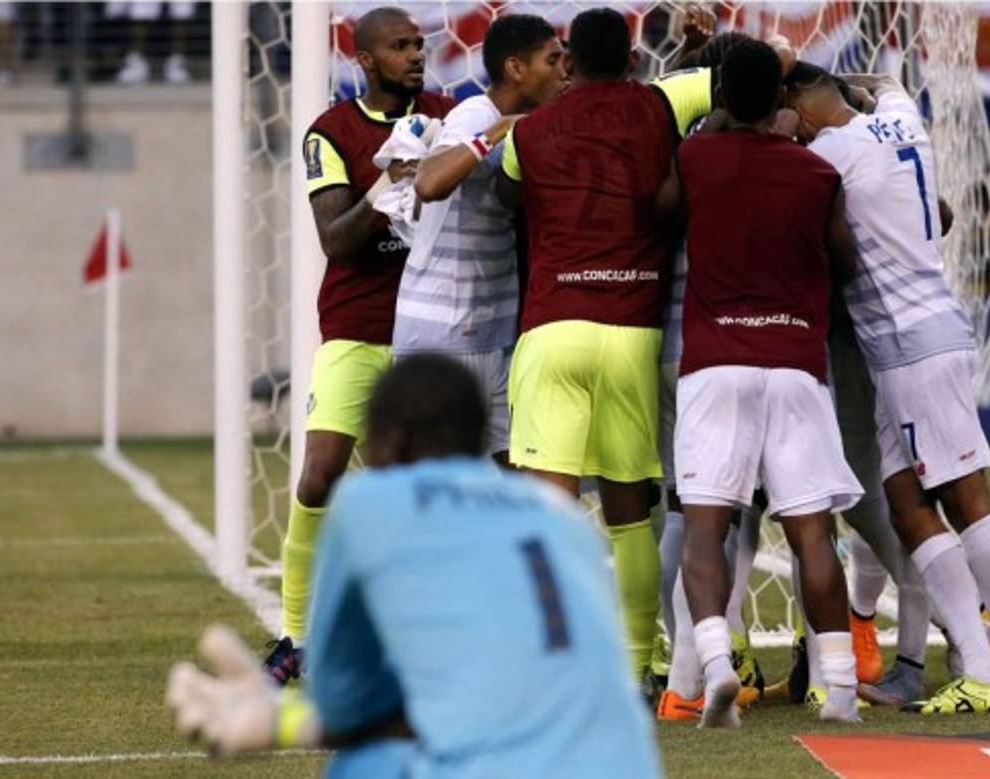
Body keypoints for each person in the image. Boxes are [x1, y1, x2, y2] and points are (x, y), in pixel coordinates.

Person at [168, 355, 661, 778]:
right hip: (628, 764)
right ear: (475, 442)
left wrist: (279, 718)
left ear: (390, 442)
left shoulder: (367, 504)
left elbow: (348, 706)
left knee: (365, 764)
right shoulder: (558, 517)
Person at [786, 62, 990, 713]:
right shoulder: (904, 119)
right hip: (926, 333)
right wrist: (864, 85)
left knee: (967, 500)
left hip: (909, 345)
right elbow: (888, 86)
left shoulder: (828, 156)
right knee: (905, 498)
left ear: (802, 108)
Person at [494, 7, 712, 686]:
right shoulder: (661, 100)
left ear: (569, 59)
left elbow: (506, 194)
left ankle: (550, 669)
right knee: (629, 514)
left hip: (553, 326)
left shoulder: (527, 131)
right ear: (632, 56)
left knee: (548, 512)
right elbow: (756, 73)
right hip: (631, 330)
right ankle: (636, 668)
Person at [656, 40, 864, 727]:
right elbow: (848, 265)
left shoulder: (694, 159)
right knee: (811, 531)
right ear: (780, 99)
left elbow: (658, 217)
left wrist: (712, 128)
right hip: (797, 364)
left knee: (705, 528)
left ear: (719, 99)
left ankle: (715, 668)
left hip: (716, 362)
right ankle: (839, 689)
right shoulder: (814, 172)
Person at [263, 6, 455, 684]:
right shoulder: (329, 132)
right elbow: (338, 241)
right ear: (365, 59)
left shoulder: (447, 112)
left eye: (419, 43)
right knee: (317, 477)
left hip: (429, 333)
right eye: (400, 46)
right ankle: (296, 637)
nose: (416, 54)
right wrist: (393, 177)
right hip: (353, 328)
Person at [393, 14, 568, 464]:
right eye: (553, 60)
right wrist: (492, 134)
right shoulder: (475, 115)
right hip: (442, 333)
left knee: (510, 474)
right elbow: (428, 184)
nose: (563, 70)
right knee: (438, 485)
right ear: (515, 69)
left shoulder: (533, 126)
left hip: (493, 331)